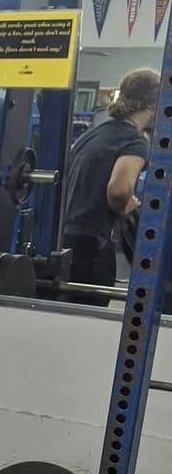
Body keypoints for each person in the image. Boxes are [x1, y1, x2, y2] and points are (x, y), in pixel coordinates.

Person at [61, 68, 159, 306]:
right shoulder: (134, 141)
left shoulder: (93, 134)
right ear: (153, 103)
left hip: (65, 241)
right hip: (93, 248)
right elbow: (118, 190)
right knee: (89, 324)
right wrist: (125, 207)